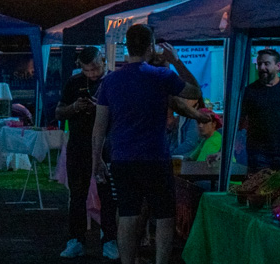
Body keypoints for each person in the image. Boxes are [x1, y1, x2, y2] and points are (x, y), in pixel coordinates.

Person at [92, 25, 204, 264]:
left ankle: (127, 261)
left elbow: (99, 125)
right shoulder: (161, 76)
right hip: (155, 156)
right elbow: (194, 91)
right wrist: (176, 61)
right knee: (164, 215)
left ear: (127, 47)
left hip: (121, 157)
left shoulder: (110, 81)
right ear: (150, 46)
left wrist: (96, 160)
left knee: (128, 213)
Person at [56, 46, 118, 260]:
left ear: (103, 61)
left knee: (107, 195)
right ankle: (76, 239)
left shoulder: (112, 81)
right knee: (77, 194)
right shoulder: (74, 83)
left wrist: (99, 109)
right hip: (78, 145)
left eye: (96, 69)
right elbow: (59, 110)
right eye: (87, 70)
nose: (92, 74)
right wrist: (74, 107)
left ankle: (109, 238)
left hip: (106, 147)